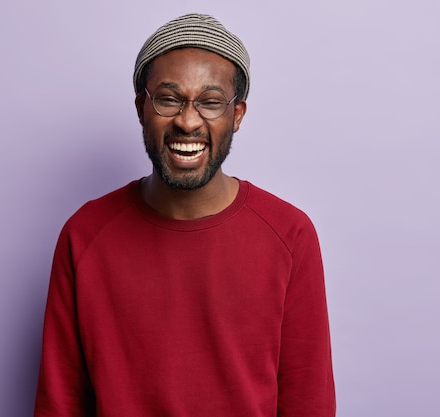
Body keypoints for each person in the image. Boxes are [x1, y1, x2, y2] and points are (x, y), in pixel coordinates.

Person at [34, 13, 335, 417]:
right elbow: (59, 403)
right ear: (142, 107)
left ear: (237, 115)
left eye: (210, 102)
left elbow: (308, 402)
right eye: (169, 98)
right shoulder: (85, 234)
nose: (188, 121)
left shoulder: (290, 234)